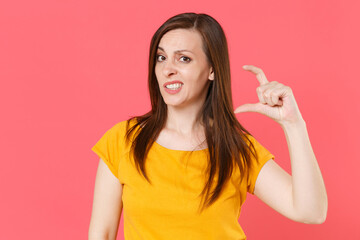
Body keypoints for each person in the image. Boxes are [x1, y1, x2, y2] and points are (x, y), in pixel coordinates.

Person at [88, 12, 328, 240]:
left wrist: (293, 124)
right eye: (161, 57)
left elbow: (311, 212)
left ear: (212, 69)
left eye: (184, 58)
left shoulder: (236, 148)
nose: (167, 69)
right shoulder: (124, 140)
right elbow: (102, 234)